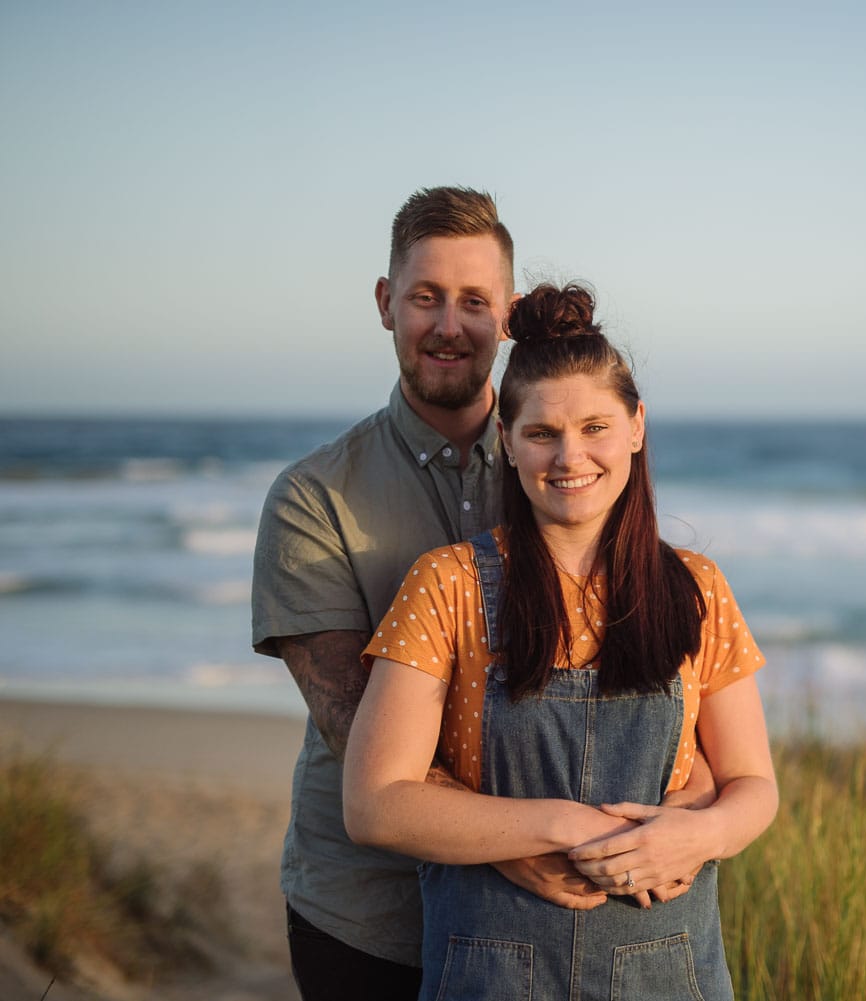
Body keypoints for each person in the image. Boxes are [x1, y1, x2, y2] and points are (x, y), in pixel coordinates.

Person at [252, 188, 713, 1000]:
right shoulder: (314, 497)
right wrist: (517, 838)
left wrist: (699, 807)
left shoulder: (563, 469)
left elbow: (664, 676)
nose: (448, 324)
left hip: (562, 921)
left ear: (506, 316)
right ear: (386, 304)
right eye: (425, 297)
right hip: (367, 911)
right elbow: (356, 723)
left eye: (473, 301)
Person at [342, 283, 778, 1000]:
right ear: (507, 443)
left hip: (668, 973)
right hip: (489, 976)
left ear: (637, 426)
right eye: (542, 432)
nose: (570, 456)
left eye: (595, 426)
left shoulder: (696, 588)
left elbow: (754, 787)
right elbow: (375, 802)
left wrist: (699, 836)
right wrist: (558, 824)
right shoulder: (446, 586)